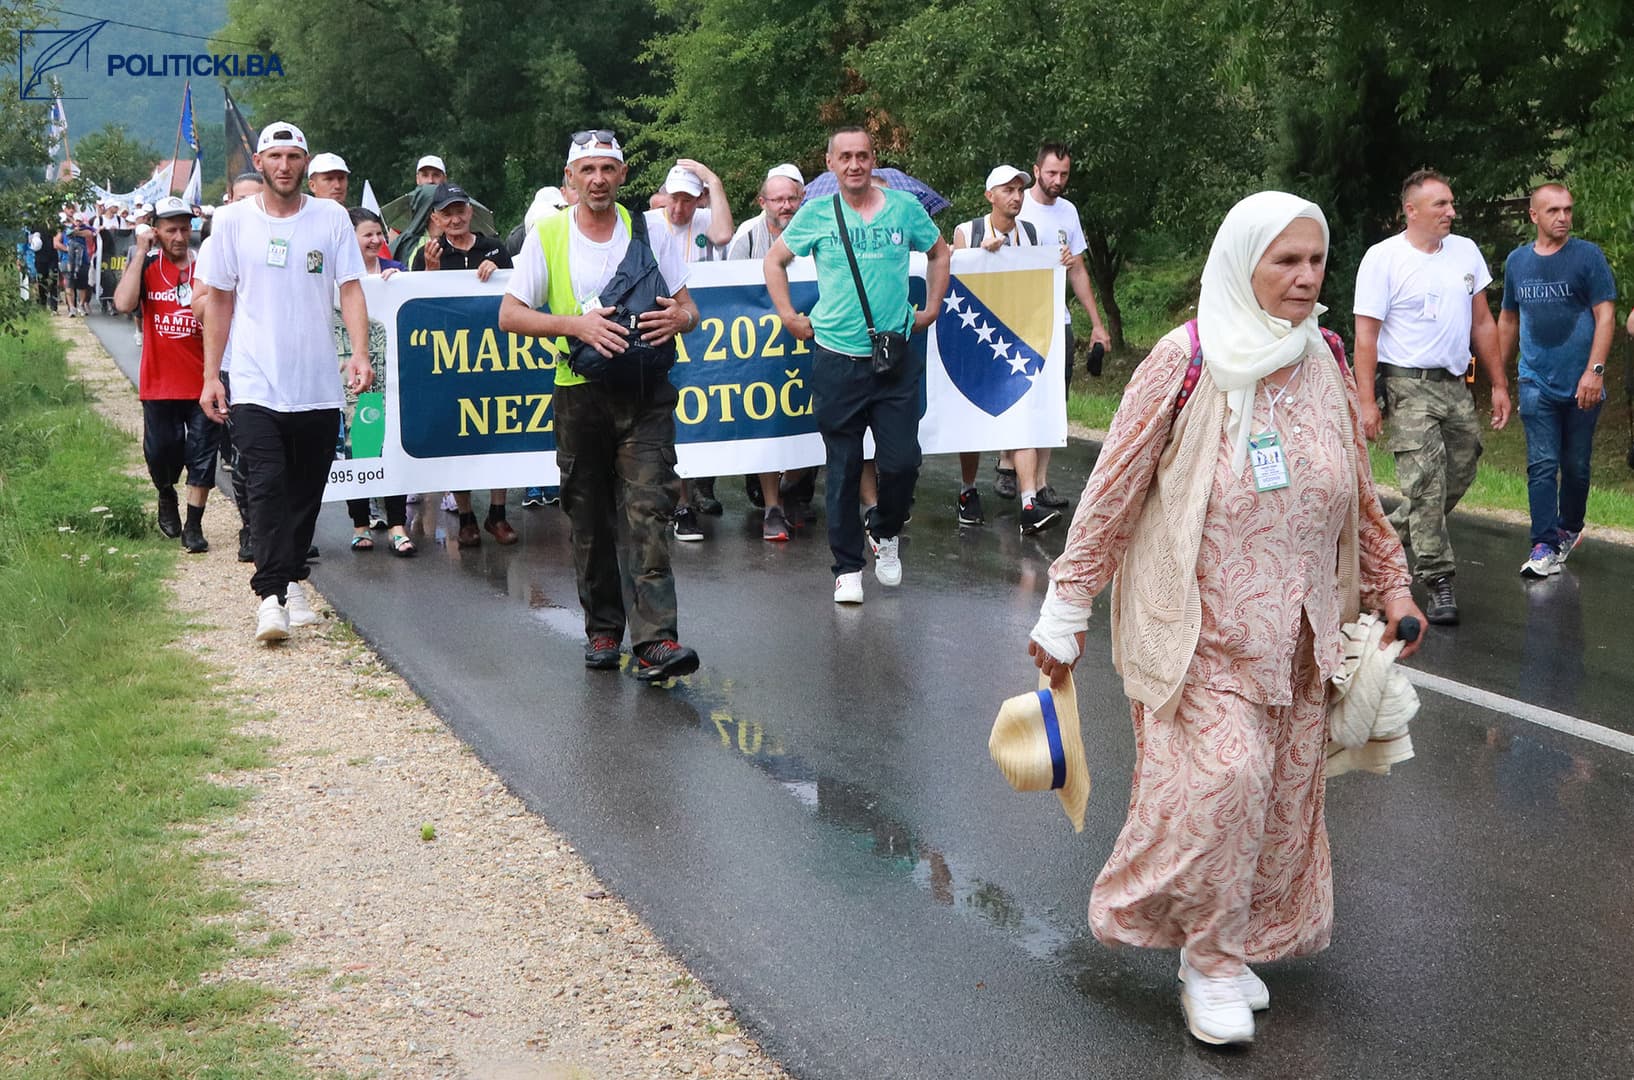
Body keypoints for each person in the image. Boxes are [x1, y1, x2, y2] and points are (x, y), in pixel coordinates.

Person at [1027, 191, 1424, 1047]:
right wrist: (1066, 608)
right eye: (1286, 261)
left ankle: (1227, 942)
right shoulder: (1186, 360)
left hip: (1301, 636)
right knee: (1226, 784)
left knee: (1279, 803)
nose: (1306, 277)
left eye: (1316, 260)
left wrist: (1392, 585)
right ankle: (1205, 964)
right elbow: (1112, 493)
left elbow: (1357, 493)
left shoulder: (1321, 353)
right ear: (1242, 262)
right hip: (1197, 631)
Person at [497, 129, 702, 680]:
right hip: (579, 393)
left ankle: (656, 640)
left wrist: (680, 319)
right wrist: (575, 326)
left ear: (623, 176)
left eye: (607, 169)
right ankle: (604, 629)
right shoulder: (547, 234)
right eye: (586, 170)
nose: (597, 179)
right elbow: (510, 315)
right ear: (570, 179)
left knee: (650, 511)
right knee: (588, 518)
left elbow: (689, 308)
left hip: (645, 394)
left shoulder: (648, 232)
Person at [198, 121, 372, 644]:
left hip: (317, 383)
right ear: (261, 159)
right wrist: (211, 374)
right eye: (274, 156)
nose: (284, 165)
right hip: (254, 382)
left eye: (293, 157)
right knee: (268, 488)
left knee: (305, 492)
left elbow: (351, 288)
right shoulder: (230, 222)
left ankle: (293, 578)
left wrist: (360, 352)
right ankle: (270, 596)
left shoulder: (332, 217)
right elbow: (219, 301)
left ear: (305, 162)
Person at [766, 127, 950, 604]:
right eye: (844, 157)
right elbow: (774, 261)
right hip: (836, 358)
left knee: (903, 462)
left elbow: (939, 252)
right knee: (844, 467)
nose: (854, 164)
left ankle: (885, 532)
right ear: (830, 164)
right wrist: (788, 316)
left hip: (893, 358)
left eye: (862, 156)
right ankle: (847, 568)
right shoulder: (816, 213)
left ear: (874, 160)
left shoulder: (905, 210)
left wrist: (930, 307)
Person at [1353, 169, 1512, 625]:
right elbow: (1367, 337)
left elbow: (1483, 322)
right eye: (1440, 204)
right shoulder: (1382, 259)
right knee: (1424, 482)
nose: (1451, 211)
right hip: (1407, 384)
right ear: (1411, 210)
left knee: (1459, 469)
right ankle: (1437, 579)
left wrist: (1498, 384)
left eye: (1451, 203)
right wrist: (1368, 401)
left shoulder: (1465, 253)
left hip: (1454, 384)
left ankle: (1376, 545)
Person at [1497, 183, 1616, 578]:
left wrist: (1594, 371)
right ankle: (1543, 543)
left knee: (1577, 466)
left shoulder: (1587, 257)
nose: (1563, 217)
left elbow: (1605, 315)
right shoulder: (1517, 262)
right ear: (1534, 216)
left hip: (1583, 382)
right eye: (1553, 211)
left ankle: (1570, 527)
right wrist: (1499, 377)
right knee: (1542, 463)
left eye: (1567, 209)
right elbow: (1509, 319)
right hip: (1535, 380)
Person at [952, 164, 1061, 536]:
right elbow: (953, 273)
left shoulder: (1030, 233)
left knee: (1023, 416)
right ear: (990, 196)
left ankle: (1028, 501)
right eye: (1007, 190)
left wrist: (1057, 263)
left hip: (1017, 339)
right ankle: (968, 489)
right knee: (973, 421)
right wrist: (979, 256)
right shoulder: (969, 231)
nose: (1016, 197)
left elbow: (1038, 280)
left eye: (1019, 190)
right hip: (977, 339)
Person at [410, 181, 518, 547]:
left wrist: (498, 267)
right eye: (447, 212)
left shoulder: (495, 248)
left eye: (460, 210)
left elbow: (517, 291)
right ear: (436, 217)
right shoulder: (428, 252)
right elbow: (416, 307)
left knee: (498, 432)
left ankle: (498, 514)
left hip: (494, 355)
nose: (455, 218)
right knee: (458, 437)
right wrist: (429, 271)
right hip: (450, 358)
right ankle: (467, 516)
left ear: (470, 212)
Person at [112, 196, 218, 553]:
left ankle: (194, 525)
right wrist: (140, 252)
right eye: (171, 229)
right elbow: (124, 304)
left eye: (184, 229)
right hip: (160, 383)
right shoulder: (147, 267)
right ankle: (165, 494)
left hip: (203, 381)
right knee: (161, 452)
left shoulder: (205, 267)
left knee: (202, 455)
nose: (178, 236)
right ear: (156, 231)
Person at [1010, 142, 1112, 510]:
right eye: (1051, 173)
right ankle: (1009, 463)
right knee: (1020, 395)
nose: (1057, 181)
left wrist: (1098, 325)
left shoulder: (1068, 212)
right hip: (1019, 319)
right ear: (1036, 170)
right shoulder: (1018, 205)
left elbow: (1079, 270)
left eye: (1064, 174)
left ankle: (1039, 484)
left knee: (1055, 401)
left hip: (1058, 319)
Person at [646, 161, 736, 536]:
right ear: (663, 196)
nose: (679, 208)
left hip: (702, 331)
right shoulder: (649, 224)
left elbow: (723, 234)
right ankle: (679, 503)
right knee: (668, 417)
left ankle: (691, 496)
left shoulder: (703, 220)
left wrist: (713, 180)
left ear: (698, 199)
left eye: (687, 199)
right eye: (673, 199)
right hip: (663, 328)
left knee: (700, 413)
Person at [725, 163, 808, 541]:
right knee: (768, 419)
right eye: (778, 199)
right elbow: (727, 289)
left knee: (811, 417)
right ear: (763, 202)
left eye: (792, 198)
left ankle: (793, 487)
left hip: (808, 337)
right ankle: (773, 506)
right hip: (760, 343)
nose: (786, 205)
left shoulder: (815, 228)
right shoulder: (747, 234)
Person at [194, 171, 268, 563]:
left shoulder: (279, 235)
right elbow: (199, 305)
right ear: (228, 201)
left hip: (277, 361)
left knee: (285, 453)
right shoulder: (215, 244)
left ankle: (283, 529)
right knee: (246, 454)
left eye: (254, 198)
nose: (247, 206)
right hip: (234, 363)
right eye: (240, 199)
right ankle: (251, 529)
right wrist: (233, 288)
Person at [338, 207, 415, 555]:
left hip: (391, 378)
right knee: (359, 449)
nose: (375, 240)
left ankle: (398, 525)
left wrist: (397, 286)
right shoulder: (339, 276)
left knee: (390, 447)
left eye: (378, 234)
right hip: (349, 379)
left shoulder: (396, 271)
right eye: (367, 234)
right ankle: (360, 525)